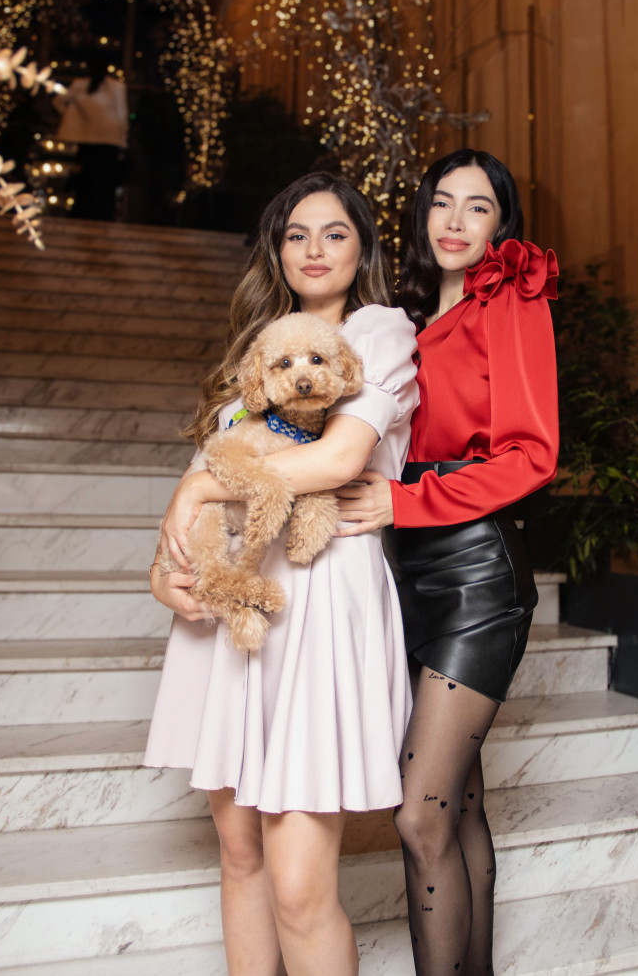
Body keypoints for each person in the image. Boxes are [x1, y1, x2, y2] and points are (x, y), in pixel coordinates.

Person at [144, 171, 418, 976]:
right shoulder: (256, 351)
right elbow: (210, 467)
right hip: (231, 614)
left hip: (320, 601)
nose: (314, 249)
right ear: (277, 250)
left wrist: (199, 488)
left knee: (299, 888)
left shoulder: (378, 330)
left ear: (363, 247)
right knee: (240, 856)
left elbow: (336, 459)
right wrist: (165, 573)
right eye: (297, 234)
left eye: (335, 232)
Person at [336, 149, 559, 975]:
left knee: (419, 813)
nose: (455, 221)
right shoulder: (406, 319)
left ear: (502, 225)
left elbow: (533, 456)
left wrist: (406, 502)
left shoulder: (511, 300)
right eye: (442, 202)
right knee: (458, 806)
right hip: (411, 571)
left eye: (477, 206)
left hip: (476, 571)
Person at [54, 56, 128, 220]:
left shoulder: (81, 86)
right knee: (102, 181)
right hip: (108, 140)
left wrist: (72, 118)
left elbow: (58, 101)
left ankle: (84, 212)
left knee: (87, 178)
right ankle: (100, 214)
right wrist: (123, 142)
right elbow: (122, 116)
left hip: (91, 140)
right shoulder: (113, 87)